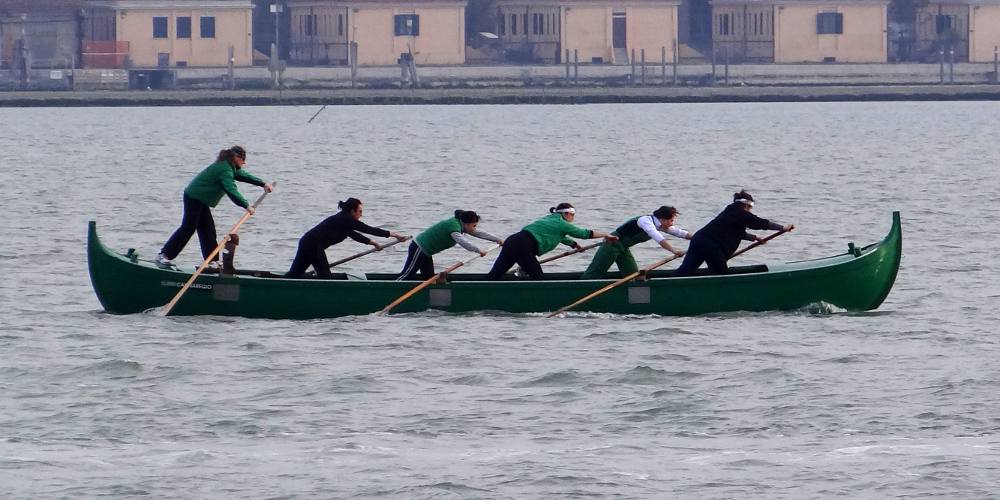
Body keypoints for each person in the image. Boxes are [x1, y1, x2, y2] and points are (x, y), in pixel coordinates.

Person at [157, 146, 274, 269]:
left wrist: (263, 184)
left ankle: (212, 261)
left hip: (201, 199)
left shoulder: (229, 167)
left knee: (208, 229)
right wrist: (246, 205)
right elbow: (231, 190)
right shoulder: (225, 170)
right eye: (243, 159)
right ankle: (164, 255)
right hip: (194, 197)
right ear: (236, 157)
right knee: (188, 228)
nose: (244, 162)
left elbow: (243, 175)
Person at [674, 190, 794, 277]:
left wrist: (755, 238)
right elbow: (760, 223)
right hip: (710, 245)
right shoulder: (740, 213)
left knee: (685, 272)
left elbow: (735, 232)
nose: (750, 211)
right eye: (750, 208)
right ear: (747, 205)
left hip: (698, 239)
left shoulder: (729, 212)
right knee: (720, 273)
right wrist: (782, 228)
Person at [487, 203, 618, 280]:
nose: (573, 217)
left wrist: (574, 244)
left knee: (494, 276)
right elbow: (585, 234)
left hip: (512, 242)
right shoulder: (562, 224)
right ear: (565, 214)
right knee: (538, 278)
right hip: (522, 246)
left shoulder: (550, 219)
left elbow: (559, 236)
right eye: (572, 214)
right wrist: (606, 235)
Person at [286, 198, 406, 279]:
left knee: (294, 275)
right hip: (313, 246)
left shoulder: (344, 221)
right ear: (352, 211)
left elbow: (353, 234)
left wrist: (372, 243)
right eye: (359, 212)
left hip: (306, 243)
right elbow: (369, 229)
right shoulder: (346, 219)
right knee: (326, 278)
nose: (361, 215)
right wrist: (394, 235)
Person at [579, 206, 690, 279]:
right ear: (663, 219)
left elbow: (680, 233)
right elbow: (659, 239)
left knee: (633, 276)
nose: (672, 223)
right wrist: (674, 250)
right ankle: (579, 291)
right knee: (595, 272)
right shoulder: (646, 221)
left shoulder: (660, 225)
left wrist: (698, 238)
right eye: (671, 220)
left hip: (623, 248)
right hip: (611, 245)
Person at [397, 210, 505, 280]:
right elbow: (463, 242)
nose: (474, 228)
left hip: (427, 252)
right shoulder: (453, 227)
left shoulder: (460, 224)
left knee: (429, 278)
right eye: (474, 225)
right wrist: (478, 250)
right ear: (466, 224)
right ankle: (392, 291)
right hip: (419, 248)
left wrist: (497, 240)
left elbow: (478, 233)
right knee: (407, 275)